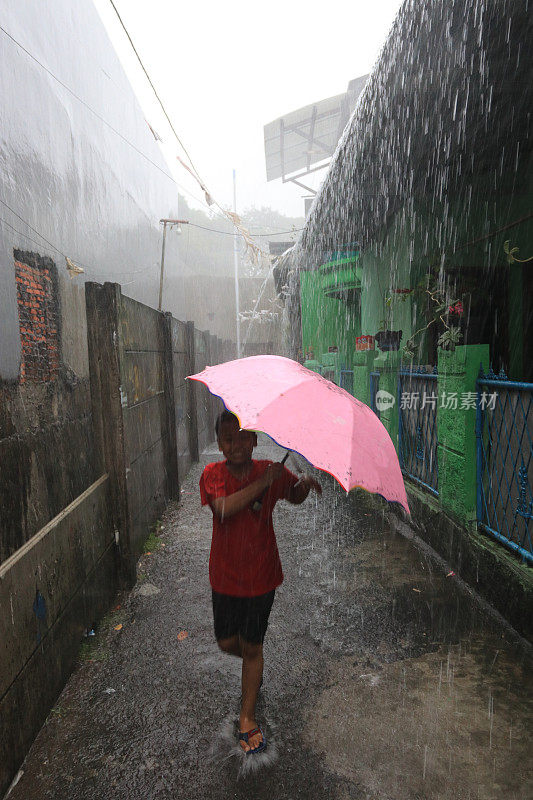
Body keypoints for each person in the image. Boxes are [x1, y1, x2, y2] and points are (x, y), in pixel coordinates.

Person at [199, 410, 322, 755]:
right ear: (220, 444)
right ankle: (255, 664)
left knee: (251, 646)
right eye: (228, 438)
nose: (236, 444)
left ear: (254, 439)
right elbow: (223, 508)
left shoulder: (272, 470)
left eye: (242, 437)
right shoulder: (213, 474)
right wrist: (263, 483)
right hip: (224, 577)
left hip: (261, 577)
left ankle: (248, 716)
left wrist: (303, 487)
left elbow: (292, 496)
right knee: (226, 642)